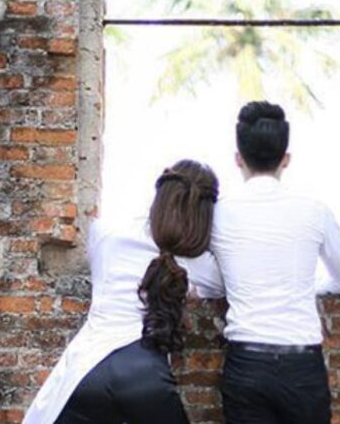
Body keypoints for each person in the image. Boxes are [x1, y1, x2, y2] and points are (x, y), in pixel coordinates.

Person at [21, 159, 221, 424]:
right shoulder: (200, 264)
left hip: (87, 369)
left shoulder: (107, 233)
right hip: (144, 373)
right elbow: (223, 284)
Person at [203, 102, 340, 424]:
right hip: (301, 365)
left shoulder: (219, 214)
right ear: (285, 159)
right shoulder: (315, 211)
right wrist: (311, 284)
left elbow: (208, 281)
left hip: (246, 363)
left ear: (238, 159)